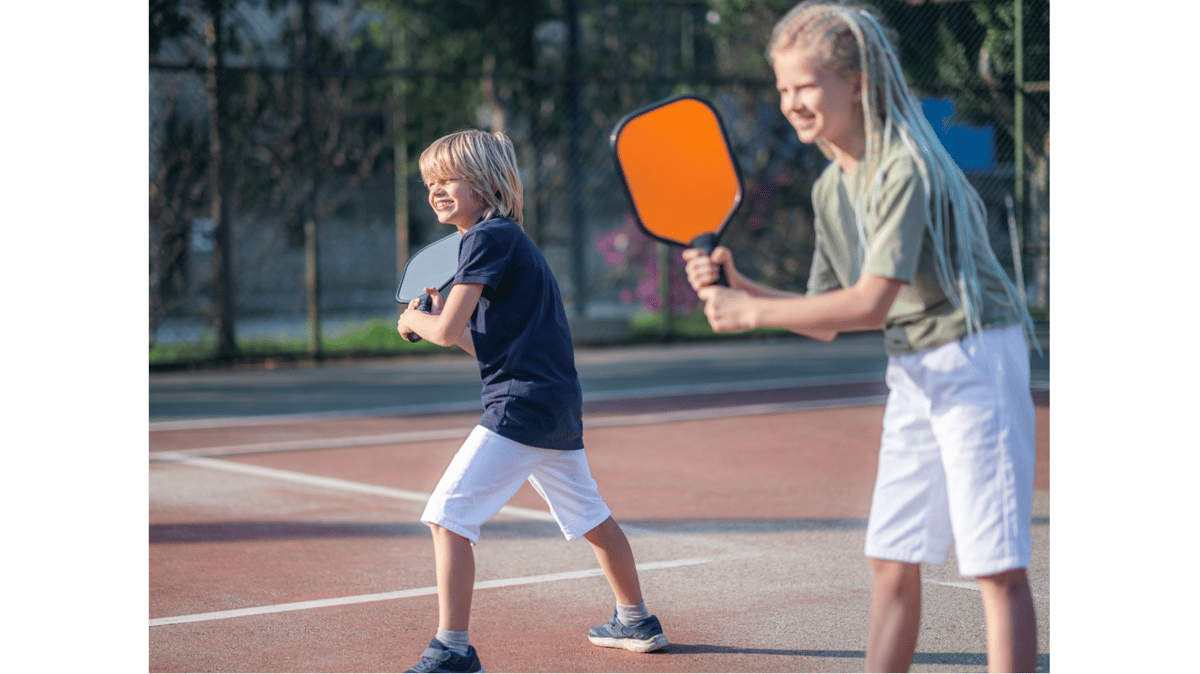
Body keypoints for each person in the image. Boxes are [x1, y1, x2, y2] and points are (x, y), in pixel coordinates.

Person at [682, 2, 1040, 672]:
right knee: (891, 557)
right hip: (914, 365)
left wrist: (748, 313)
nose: (792, 102)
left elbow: (871, 302)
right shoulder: (829, 187)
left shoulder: (904, 167)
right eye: (783, 88)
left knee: (995, 566)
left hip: (976, 355)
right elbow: (826, 315)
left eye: (806, 86)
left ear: (857, 85)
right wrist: (742, 284)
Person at [397, 130, 667, 674]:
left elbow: (444, 333)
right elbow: (481, 343)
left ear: (487, 183)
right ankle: (636, 620)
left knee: (447, 517)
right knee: (592, 517)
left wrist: (414, 321)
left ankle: (453, 650)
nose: (435, 190)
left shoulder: (486, 238)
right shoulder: (501, 240)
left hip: (519, 406)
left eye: (448, 179)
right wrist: (438, 319)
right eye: (430, 182)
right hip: (553, 405)